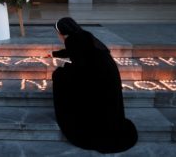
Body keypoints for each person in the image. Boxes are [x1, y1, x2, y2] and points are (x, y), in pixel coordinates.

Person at [51, 17, 138, 153]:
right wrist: (54, 54)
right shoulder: (82, 35)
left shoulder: (72, 40)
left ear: (62, 32)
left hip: (100, 78)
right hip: (107, 74)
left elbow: (79, 67)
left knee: (59, 76)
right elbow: (76, 53)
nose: (58, 35)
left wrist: (60, 72)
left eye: (57, 32)